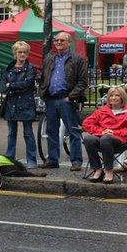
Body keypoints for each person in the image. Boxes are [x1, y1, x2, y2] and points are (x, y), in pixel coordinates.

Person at [39, 32, 88, 170]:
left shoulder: (77, 59)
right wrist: (43, 92)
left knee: (73, 130)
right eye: (56, 40)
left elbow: (83, 81)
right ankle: (53, 160)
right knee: (51, 131)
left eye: (62, 40)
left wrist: (71, 97)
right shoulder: (49, 58)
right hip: (51, 99)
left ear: (68, 42)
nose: (58, 43)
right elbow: (43, 77)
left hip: (67, 99)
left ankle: (76, 161)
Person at [81, 86, 127, 184]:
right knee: (88, 139)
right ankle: (98, 169)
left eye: (117, 95)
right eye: (111, 95)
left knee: (106, 138)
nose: (113, 98)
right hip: (102, 139)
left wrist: (115, 133)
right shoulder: (102, 111)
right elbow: (86, 123)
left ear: (122, 97)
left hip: (121, 141)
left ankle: (109, 170)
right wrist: (102, 131)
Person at [0, 41, 38, 168]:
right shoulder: (9, 67)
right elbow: (2, 87)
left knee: (28, 133)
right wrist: (12, 86)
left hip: (26, 103)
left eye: (25, 52)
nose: (22, 54)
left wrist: (11, 85)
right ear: (15, 53)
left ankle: (31, 160)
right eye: (20, 52)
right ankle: (9, 158)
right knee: (11, 133)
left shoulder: (31, 68)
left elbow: (27, 84)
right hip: (11, 104)